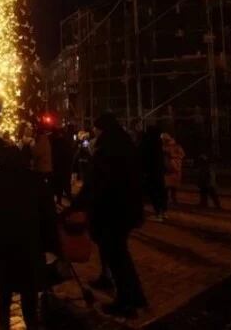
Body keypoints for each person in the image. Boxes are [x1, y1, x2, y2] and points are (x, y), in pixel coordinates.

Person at [73, 113, 147, 318]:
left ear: (103, 130)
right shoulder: (125, 145)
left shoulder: (107, 151)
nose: (94, 133)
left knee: (118, 258)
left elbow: (95, 183)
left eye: (96, 129)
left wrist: (76, 205)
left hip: (112, 211)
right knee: (120, 255)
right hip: (125, 210)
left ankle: (126, 303)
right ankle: (135, 296)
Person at [0, 146, 44, 330]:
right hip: (29, 240)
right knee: (28, 289)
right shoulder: (34, 180)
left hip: (4, 240)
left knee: (4, 289)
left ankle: (3, 323)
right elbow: (46, 213)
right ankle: (31, 322)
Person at [139, 126, 167, 221]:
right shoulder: (159, 143)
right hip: (159, 172)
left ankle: (158, 213)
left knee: (154, 193)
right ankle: (163, 212)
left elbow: (142, 157)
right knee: (161, 191)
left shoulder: (147, 143)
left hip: (150, 172)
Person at [161, 133, 185, 205]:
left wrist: (172, 155)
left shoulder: (176, 146)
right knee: (166, 186)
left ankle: (173, 199)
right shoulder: (162, 147)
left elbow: (182, 155)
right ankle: (167, 199)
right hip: (166, 168)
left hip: (174, 168)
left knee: (173, 186)